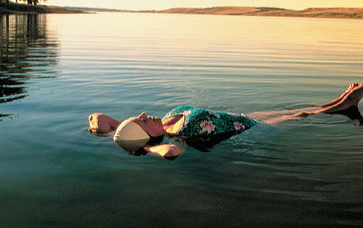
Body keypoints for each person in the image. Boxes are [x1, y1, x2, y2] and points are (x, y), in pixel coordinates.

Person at [88, 83, 363, 159]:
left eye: (141, 116)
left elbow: (102, 120)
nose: (146, 115)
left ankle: (338, 99)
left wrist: (119, 128)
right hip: (257, 129)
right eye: (144, 122)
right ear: (149, 137)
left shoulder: (168, 119)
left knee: (304, 108)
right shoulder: (176, 136)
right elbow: (170, 152)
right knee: (301, 115)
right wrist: (146, 148)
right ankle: (346, 104)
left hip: (244, 119)